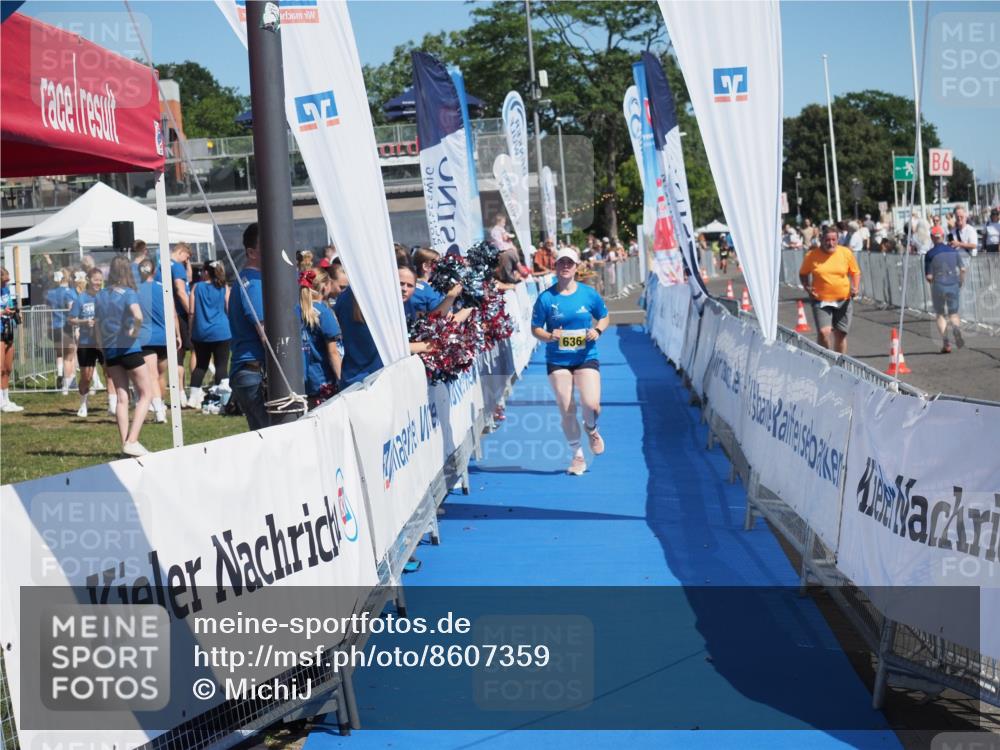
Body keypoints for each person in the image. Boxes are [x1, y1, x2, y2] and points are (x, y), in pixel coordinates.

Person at [530, 248, 610, 476]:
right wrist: (549, 336)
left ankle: (591, 429)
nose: (566, 266)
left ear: (576, 267)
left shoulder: (589, 294)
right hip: (558, 360)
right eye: (561, 262)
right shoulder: (546, 298)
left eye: (570, 263)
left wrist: (597, 330)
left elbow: (604, 316)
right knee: (566, 408)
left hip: (586, 357)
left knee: (592, 405)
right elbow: (535, 328)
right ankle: (577, 456)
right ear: (555, 266)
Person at [335, 264, 433, 388]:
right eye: (400, 283)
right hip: (371, 381)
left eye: (410, 285)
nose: (404, 289)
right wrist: (424, 346)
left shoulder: (348, 296)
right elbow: (385, 345)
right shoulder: (375, 303)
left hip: (359, 379)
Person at [95, 256, 154, 456]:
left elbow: (96, 326)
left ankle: (125, 445)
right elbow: (138, 315)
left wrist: (103, 351)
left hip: (110, 350)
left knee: (122, 397)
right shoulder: (129, 293)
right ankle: (132, 440)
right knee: (146, 393)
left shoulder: (100, 295)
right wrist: (135, 331)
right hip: (128, 349)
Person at [228, 223, 269, 431]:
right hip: (255, 373)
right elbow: (266, 336)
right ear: (251, 252)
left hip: (249, 372)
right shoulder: (253, 282)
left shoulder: (246, 281)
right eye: (267, 244)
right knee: (273, 441)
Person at [799, 227, 861, 354]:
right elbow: (803, 273)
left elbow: (855, 272)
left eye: (834, 240)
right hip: (821, 300)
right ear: (821, 239)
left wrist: (855, 287)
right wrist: (807, 287)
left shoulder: (846, 253)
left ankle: (839, 364)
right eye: (827, 240)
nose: (831, 243)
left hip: (843, 299)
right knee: (824, 332)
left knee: (840, 335)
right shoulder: (812, 255)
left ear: (838, 240)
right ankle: (826, 359)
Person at [155, 242, 193, 406]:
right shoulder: (176, 267)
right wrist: (192, 312)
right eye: (187, 257)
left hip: (161, 314)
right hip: (179, 314)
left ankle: (160, 398)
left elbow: (188, 278)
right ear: (181, 252)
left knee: (163, 360)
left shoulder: (160, 265)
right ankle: (181, 394)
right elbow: (180, 290)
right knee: (181, 355)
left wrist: (187, 264)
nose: (187, 260)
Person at [298, 268, 342, 409]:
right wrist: (342, 380)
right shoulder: (324, 313)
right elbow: (333, 352)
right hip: (323, 379)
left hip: (303, 379)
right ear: (324, 287)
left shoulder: (296, 310)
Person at [189, 261, 231, 409]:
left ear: (206, 272)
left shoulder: (196, 287)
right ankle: (221, 396)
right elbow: (228, 307)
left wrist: (190, 329)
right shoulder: (223, 287)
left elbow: (192, 312)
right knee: (221, 365)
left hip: (201, 333)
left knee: (201, 365)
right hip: (222, 331)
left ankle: (193, 398)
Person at [136, 258, 172, 422]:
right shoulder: (163, 288)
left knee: (152, 376)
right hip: (164, 337)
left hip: (146, 338)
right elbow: (172, 313)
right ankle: (160, 404)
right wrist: (177, 334)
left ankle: (159, 411)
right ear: (155, 272)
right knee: (160, 375)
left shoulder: (135, 290)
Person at [925, 225, 967, 353]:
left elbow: (929, 276)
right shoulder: (953, 251)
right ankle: (956, 331)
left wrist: (931, 283)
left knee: (940, 314)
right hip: (953, 283)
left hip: (938, 285)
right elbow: (963, 269)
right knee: (953, 313)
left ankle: (946, 342)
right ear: (942, 236)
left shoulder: (930, 254)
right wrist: (960, 281)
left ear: (932, 237)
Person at [70, 268, 105, 418]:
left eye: (100, 279)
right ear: (89, 280)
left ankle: (114, 403)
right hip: (86, 342)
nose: (98, 282)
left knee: (109, 373)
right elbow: (71, 319)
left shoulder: (105, 297)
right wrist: (85, 322)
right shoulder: (81, 298)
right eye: (95, 279)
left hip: (104, 342)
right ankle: (83, 404)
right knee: (86, 376)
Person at [45, 268, 77, 394]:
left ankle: (60, 374)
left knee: (59, 353)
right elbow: (71, 308)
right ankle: (68, 383)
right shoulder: (69, 292)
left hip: (54, 326)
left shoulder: (51, 292)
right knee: (70, 356)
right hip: (66, 326)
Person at [410, 247, 465, 318]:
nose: (442, 267)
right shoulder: (420, 290)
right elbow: (437, 319)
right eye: (438, 264)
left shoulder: (432, 286)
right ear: (425, 266)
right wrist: (452, 295)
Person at [0, 267, 24, 413]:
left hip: (8, 329)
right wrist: (3, 311)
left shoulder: (6, 290)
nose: (7, 282)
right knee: (0, 367)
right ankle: (1, 402)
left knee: (8, 368)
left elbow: (8, 305)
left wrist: (12, 311)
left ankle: (6, 398)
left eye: (8, 279)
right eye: (4, 280)